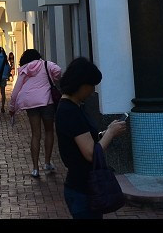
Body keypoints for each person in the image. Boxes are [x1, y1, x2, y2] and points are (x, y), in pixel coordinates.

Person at [55, 57, 128, 219]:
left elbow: (83, 139)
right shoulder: (70, 111)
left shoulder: (73, 107)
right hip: (82, 189)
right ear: (81, 84)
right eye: (91, 86)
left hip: (82, 186)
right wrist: (111, 133)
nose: (92, 91)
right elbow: (91, 154)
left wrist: (104, 132)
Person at [8, 48, 62, 178]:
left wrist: (12, 107)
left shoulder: (24, 70)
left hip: (30, 103)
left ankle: (35, 168)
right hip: (46, 102)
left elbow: (16, 90)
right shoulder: (46, 64)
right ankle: (47, 163)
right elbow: (58, 71)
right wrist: (53, 79)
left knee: (35, 134)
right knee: (49, 131)